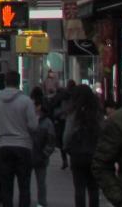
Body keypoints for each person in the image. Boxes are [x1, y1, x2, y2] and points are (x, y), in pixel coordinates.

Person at [0, 68, 38, 207]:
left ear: (5, 82)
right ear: (18, 82)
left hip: (3, 146)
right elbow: (33, 126)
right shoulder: (26, 102)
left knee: (6, 187)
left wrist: (3, 127)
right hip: (24, 147)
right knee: (24, 187)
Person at [64, 78, 102, 207]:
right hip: (94, 153)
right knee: (94, 188)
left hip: (77, 154)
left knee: (79, 189)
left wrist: (66, 147)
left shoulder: (74, 112)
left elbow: (67, 134)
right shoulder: (97, 112)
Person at [31, 97, 56, 207]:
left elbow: (51, 141)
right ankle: (39, 202)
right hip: (32, 154)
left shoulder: (46, 122)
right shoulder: (32, 119)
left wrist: (45, 153)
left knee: (41, 182)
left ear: (39, 106)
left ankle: (41, 202)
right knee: (35, 181)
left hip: (40, 155)